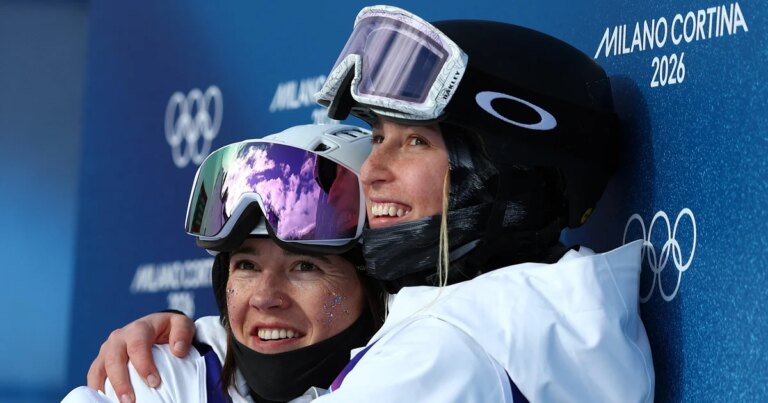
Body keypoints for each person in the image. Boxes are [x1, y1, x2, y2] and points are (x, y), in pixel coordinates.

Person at [86, 5, 655, 402]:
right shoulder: (534, 316)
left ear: (508, 171)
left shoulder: (445, 355)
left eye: (414, 141)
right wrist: (198, 349)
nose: (374, 172)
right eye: (377, 137)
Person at [63, 124, 384, 402]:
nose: (264, 297)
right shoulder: (167, 374)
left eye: (304, 267)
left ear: (375, 283)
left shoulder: (415, 375)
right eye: (247, 266)